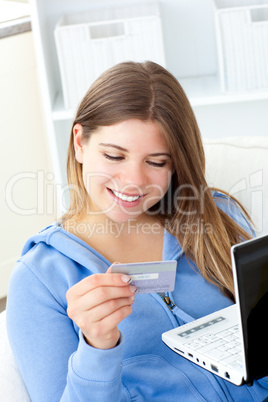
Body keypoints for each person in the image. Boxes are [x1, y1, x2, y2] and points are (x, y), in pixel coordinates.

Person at [6, 61, 268, 401]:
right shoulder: (41, 278)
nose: (134, 182)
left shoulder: (215, 218)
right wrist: (98, 347)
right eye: (114, 156)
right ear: (79, 143)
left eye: (156, 162)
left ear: (175, 163)